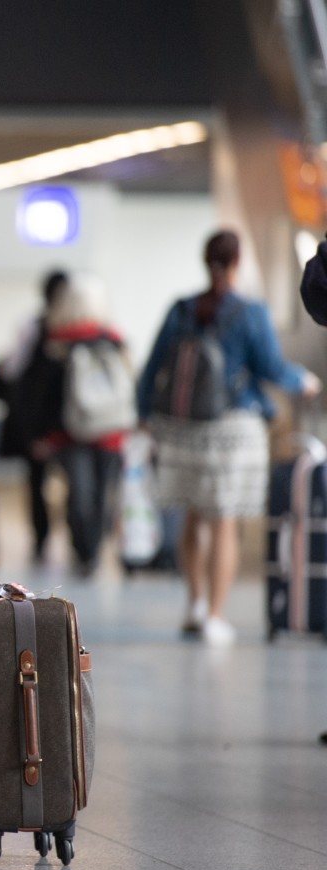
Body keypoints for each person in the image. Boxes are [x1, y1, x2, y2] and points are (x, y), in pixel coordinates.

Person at [138, 230, 319, 643]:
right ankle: (216, 617)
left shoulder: (182, 309)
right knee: (224, 523)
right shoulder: (249, 312)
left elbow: (153, 368)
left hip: (183, 430)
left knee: (193, 517)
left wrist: (144, 415)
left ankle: (195, 604)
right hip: (233, 428)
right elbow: (271, 366)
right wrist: (302, 382)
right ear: (237, 263)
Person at [18, 274, 131, 575]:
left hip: (73, 434)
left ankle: (87, 552)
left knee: (81, 497)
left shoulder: (57, 342)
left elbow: (40, 394)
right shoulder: (112, 341)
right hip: (104, 433)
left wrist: (39, 435)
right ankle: (88, 552)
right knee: (96, 496)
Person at [0, 270, 68, 561]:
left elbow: (13, 369)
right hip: (64, 420)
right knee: (69, 481)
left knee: (37, 481)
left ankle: (43, 539)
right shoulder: (81, 329)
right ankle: (77, 544)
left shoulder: (33, 326)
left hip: (38, 421)